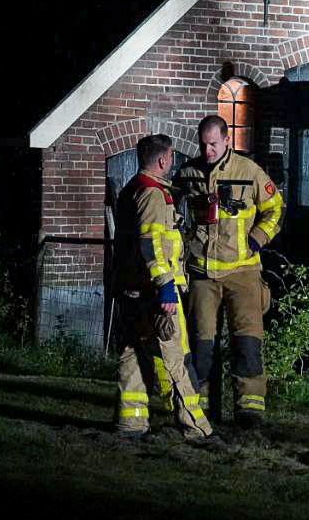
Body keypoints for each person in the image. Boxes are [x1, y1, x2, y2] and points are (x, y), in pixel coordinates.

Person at [176, 115, 285, 426]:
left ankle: (249, 411)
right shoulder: (188, 174)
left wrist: (257, 240)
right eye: (203, 144)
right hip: (201, 274)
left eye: (213, 143)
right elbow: (171, 210)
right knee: (201, 346)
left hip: (243, 273)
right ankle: (200, 409)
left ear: (226, 140)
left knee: (247, 344)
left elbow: (276, 208)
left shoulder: (249, 172)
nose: (208, 150)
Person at [113, 134, 216, 444]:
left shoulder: (132, 189)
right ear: (162, 160)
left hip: (131, 291)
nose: (173, 163)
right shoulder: (153, 195)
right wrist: (166, 289)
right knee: (177, 359)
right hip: (155, 295)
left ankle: (131, 424)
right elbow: (152, 245)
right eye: (172, 157)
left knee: (132, 356)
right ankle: (197, 429)